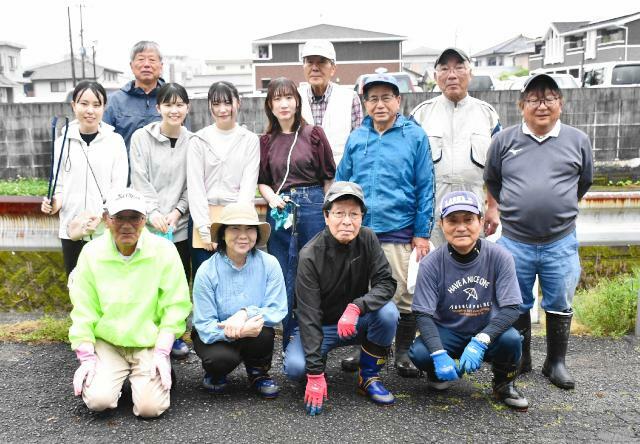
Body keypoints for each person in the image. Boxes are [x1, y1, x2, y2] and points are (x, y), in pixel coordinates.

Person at [484, 73, 593, 389]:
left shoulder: (578, 140)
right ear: (522, 104)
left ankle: (555, 362)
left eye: (549, 98)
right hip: (515, 240)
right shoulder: (504, 140)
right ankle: (522, 358)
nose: (541, 105)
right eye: (533, 98)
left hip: (559, 240)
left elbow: (583, 181)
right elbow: (493, 180)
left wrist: (556, 206)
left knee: (559, 300)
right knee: (515, 302)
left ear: (560, 103)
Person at [336, 73, 435, 378]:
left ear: (398, 101)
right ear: (365, 103)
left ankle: (403, 352)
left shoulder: (414, 136)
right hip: (360, 234)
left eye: (386, 98)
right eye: (373, 99)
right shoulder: (357, 137)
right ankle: (361, 347)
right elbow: (342, 184)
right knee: (359, 291)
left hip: (400, 230)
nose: (379, 105)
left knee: (403, 293)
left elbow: (425, 185)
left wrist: (421, 233)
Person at [68, 188, 191, 418]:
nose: (127, 225)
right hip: (108, 342)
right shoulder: (91, 253)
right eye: (119, 218)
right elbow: (84, 308)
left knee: (149, 409)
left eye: (134, 217)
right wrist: (85, 355)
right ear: (106, 219)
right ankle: (120, 377)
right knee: (98, 401)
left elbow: (175, 305)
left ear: (144, 220)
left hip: (147, 343)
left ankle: (150, 374)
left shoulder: (164, 251)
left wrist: (163, 350)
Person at [284, 181, 399, 414]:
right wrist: (315, 373)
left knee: (388, 313)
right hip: (321, 325)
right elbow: (308, 315)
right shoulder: (310, 255)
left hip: (354, 321)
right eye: (339, 213)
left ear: (361, 218)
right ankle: (319, 366)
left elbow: (386, 283)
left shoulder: (368, 239)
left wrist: (357, 307)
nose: (347, 221)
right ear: (326, 216)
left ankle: (368, 377)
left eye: (354, 214)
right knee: (297, 368)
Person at [409, 190, 528, 410]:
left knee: (511, 340)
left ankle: (504, 383)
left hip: (485, 329)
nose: (461, 227)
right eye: (452, 220)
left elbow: (512, 308)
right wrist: (437, 353)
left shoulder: (500, 256)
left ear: (481, 222)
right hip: (448, 330)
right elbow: (423, 314)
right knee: (420, 352)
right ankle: (437, 372)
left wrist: (481, 340)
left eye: (469, 219)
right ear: (441, 225)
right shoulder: (431, 263)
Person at [258, 77, 336, 350]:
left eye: (288, 97)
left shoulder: (314, 134)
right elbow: (263, 180)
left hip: (313, 206)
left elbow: (329, 176)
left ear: (297, 101)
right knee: (283, 272)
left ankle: (314, 336)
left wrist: (326, 210)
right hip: (280, 210)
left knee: (312, 271)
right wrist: (272, 198)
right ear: (270, 104)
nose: (283, 104)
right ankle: (290, 337)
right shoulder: (266, 141)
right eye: (277, 98)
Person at [191, 202, 287, 398]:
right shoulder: (207, 271)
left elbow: (277, 309)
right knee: (218, 359)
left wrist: (245, 314)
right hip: (217, 334)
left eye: (250, 228)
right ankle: (216, 373)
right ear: (223, 233)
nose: (243, 235)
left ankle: (258, 372)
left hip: (254, 331)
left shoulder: (269, 264)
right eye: (235, 228)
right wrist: (239, 331)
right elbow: (204, 325)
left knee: (264, 333)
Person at [411, 48, 501, 247]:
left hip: (474, 208)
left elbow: (497, 168)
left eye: (459, 68)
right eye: (444, 69)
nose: (452, 75)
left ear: (470, 73)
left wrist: (493, 208)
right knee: (434, 268)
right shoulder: (420, 115)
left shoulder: (487, 114)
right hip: (432, 211)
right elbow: (407, 170)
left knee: (474, 269)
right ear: (435, 76)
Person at [130, 82, 192, 360]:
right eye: (168, 104)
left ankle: (175, 334)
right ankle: (147, 332)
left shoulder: (194, 142)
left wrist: (177, 212)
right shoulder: (141, 138)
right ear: (158, 108)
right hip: (149, 224)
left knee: (176, 283)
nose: (174, 109)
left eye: (180, 104)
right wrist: (152, 212)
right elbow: (139, 178)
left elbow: (194, 184)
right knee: (147, 281)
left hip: (178, 224)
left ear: (187, 108)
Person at [41, 80, 128, 276]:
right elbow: (60, 186)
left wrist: (103, 214)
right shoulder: (61, 143)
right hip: (72, 229)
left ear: (104, 108)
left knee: (106, 288)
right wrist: (53, 204)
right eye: (83, 103)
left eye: (96, 105)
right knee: (76, 287)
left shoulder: (115, 142)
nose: (90, 110)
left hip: (105, 229)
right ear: (73, 105)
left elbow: (119, 186)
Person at [187, 81, 260, 275]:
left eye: (227, 103)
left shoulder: (249, 140)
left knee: (237, 279)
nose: (222, 109)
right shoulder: (198, 140)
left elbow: (248, 186)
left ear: (238, 103)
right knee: (205, 280)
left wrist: (237, 226)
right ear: (209, 105)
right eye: (216, 103)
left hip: (237, 219)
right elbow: (195, 187)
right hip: (204, 218)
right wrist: (205, 230)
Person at [298, 39, 363, 165]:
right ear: (303, 67)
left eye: (321, 62)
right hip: (303, 179)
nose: (315, 68)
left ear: (333, 68)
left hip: (340, 177)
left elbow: (359, 145)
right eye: (310, 62)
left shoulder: (350, 98)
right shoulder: (294, 98)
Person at [103, 41, 164, 150]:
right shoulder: (114, 101)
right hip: (125, 166)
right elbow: (103, 142)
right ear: (131, 65)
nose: (146, 64)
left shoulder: (172, 100)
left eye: (152, 60)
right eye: (141, 59)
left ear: (161, 66)